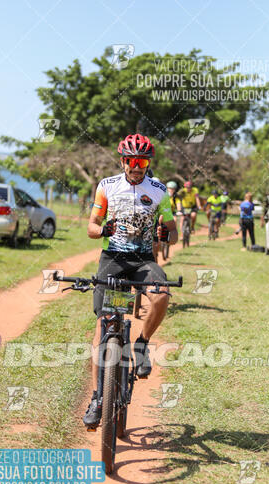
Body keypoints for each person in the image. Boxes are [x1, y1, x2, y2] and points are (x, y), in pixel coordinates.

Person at [83, 133, 178, 426]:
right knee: (104, 327)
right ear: (123, 161)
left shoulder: (159, 190)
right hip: (112, 259)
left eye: (142, 162)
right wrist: (103, 231)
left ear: (148, 163)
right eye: (131, 161)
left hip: (143, 261)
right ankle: (99, 397)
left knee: (161, 295)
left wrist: (167, 236)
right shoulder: (107, 187)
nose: (136, 167)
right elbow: (91, 227)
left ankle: (141, 343)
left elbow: (173, 231)